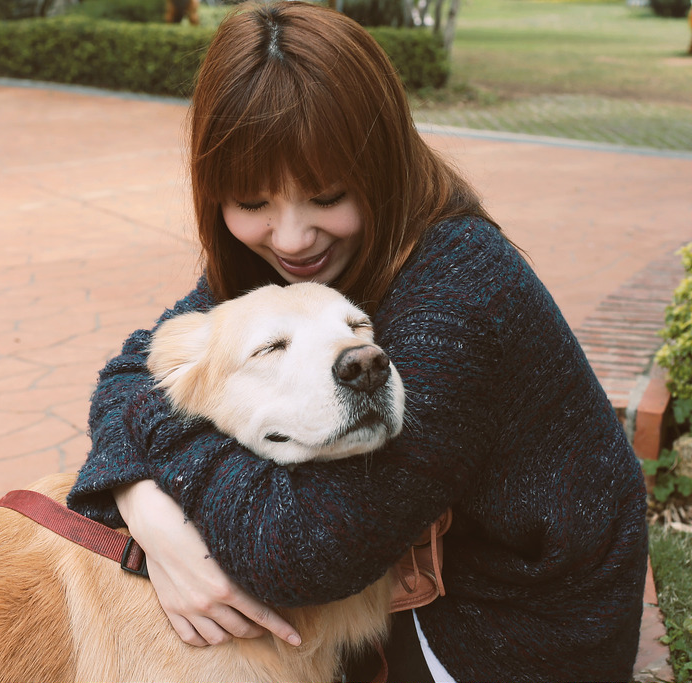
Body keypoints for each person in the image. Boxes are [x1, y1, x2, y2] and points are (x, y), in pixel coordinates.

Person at [66, 2, 649, 681]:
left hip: (509, 626)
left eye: (327, 196)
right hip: (412, 571)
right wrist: (143, 503)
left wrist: (155, 476)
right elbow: (132, 372)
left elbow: (304, 551)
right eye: (252, 203)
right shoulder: (277, 260)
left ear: (382, 167)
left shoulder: (462, 289)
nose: (292, 238)